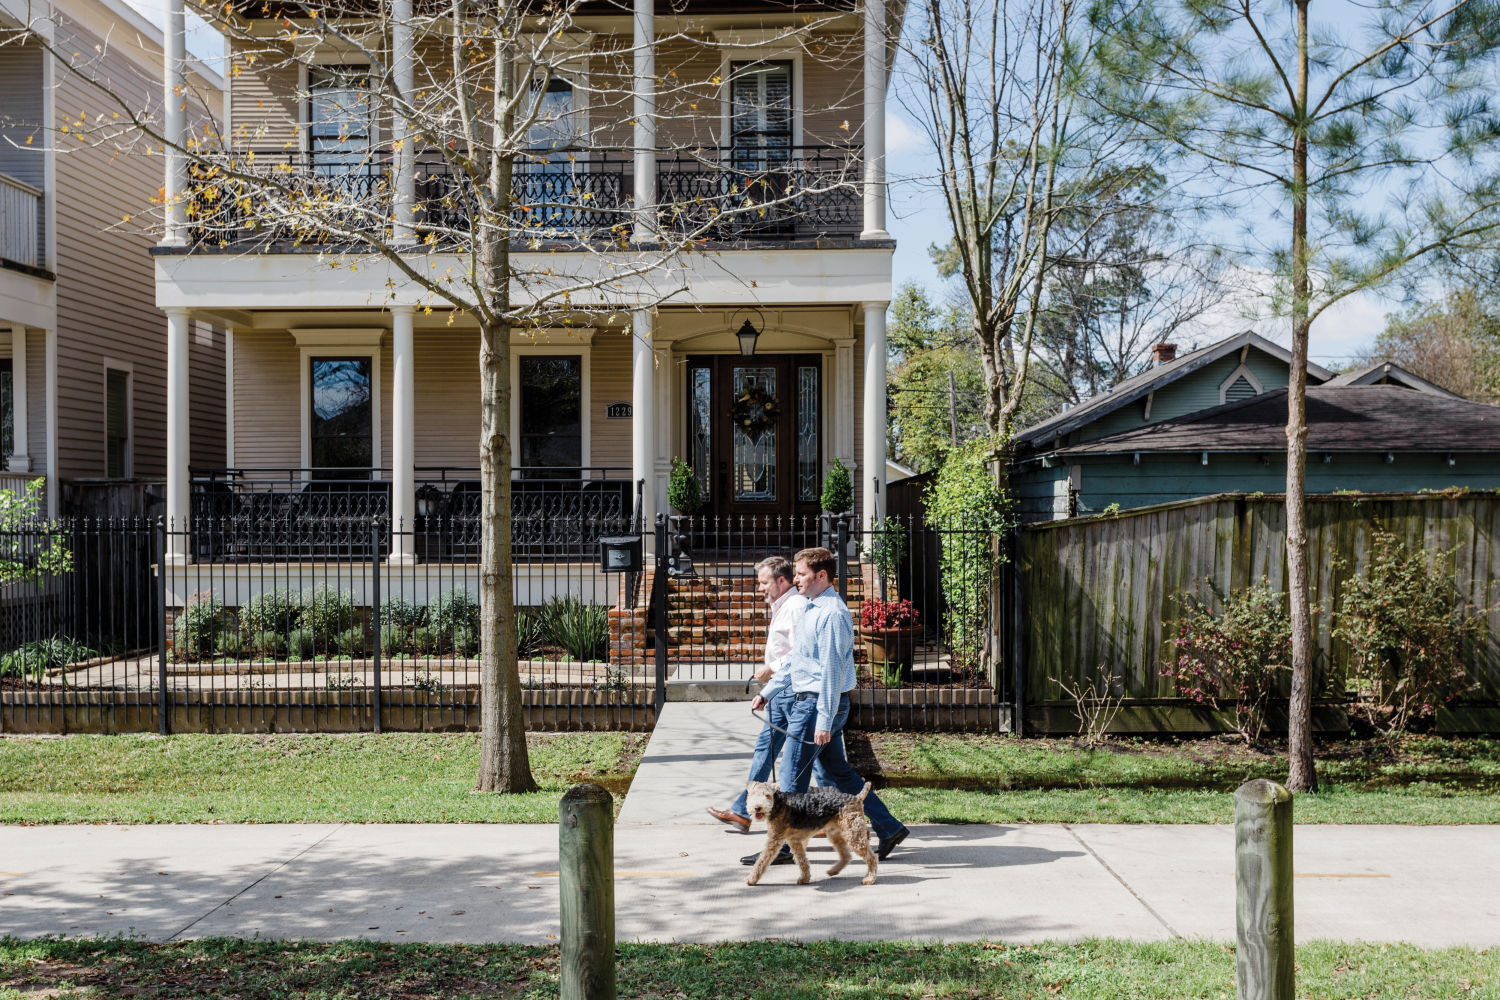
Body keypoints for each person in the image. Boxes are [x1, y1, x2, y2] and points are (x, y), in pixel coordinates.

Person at [741, 545, 910, 866]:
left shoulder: (832, 613)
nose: (796, 579)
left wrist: (823, 719)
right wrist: (771, 691)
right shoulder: (810, 607)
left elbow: (831, 672)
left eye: (802, 574)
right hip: (810, 701)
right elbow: (797, 661)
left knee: (791, 776)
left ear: (821, 576)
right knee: (840, 775)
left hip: (817, 704)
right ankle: (890, 828)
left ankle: (784, 847)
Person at [706, 555, 804, 830]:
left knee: (814, 761)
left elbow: (801, 653)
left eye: (763, 582)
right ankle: (742, 810)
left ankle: (817, 818)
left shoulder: (795, 606)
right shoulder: (781, 605)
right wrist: (768, 691)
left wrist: (770, 669)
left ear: (781, 581)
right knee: (768, 750)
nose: (759, 588)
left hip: (793, 691)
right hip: (781, 691)